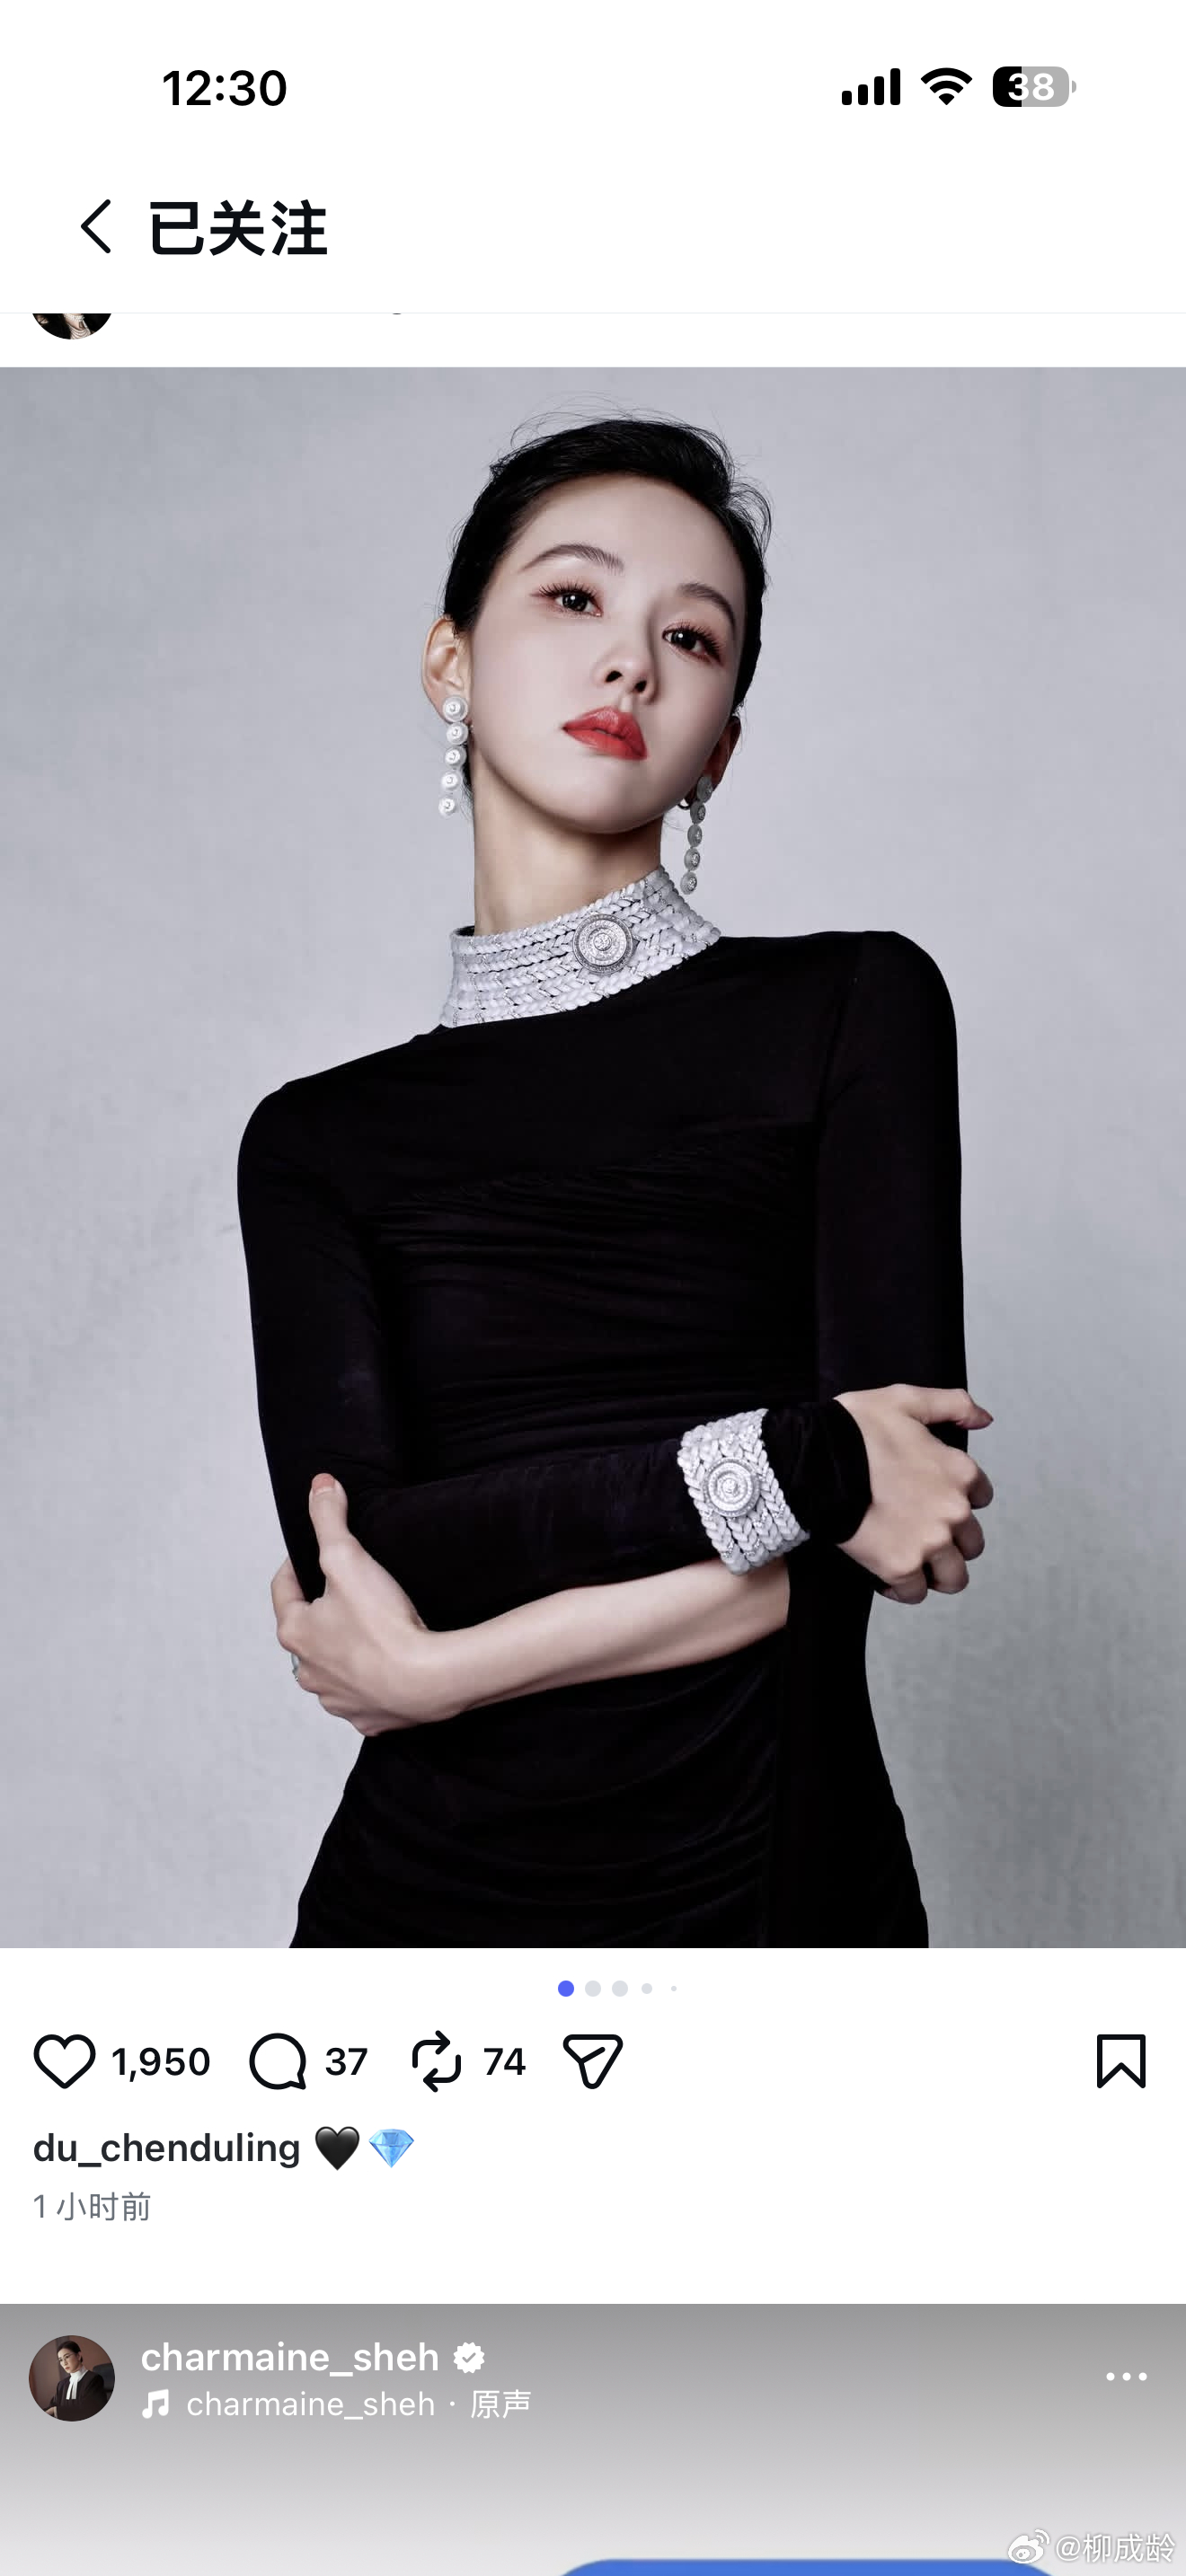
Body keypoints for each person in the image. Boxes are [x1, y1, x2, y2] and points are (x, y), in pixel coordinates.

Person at [237, 414, 994, 1947]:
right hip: (415, 1914)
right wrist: (789, 1461)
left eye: (691, 636)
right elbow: (368, 1554)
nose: (630, 663)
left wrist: (440, 1671)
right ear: (450, 660)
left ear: (720, 744)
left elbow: (888, 1524)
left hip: (775, 1885)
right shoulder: (316, 1140)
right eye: (574, 598)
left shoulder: (854, 1007)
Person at [45, 2342, 111, 2418]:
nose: (64, 2363)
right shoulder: (61, 2384)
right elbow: (52, 2406)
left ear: (78, 2356)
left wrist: (56, 2410)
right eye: (61, 2360)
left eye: (67, 2357)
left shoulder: (94, 2379)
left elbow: (89, 2410)